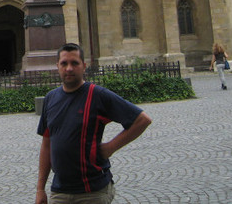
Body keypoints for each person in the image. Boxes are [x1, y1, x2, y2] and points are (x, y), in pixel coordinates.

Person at [36, 43, 152, 204]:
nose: (69, 68)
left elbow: (142, 120)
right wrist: (40, 189)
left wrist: (110, 147)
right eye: (64, 63)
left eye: (74, 63)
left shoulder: (97, 95)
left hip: (92, 191)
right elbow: (47, 144)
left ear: (84, 66)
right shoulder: (50, 98)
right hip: (60, 191)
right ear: (57, 66)